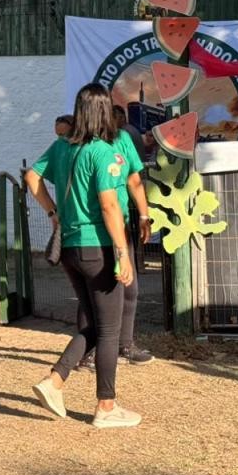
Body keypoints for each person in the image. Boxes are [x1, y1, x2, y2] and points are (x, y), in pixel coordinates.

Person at [24, 82, 141, 429]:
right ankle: (106, 406)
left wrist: (52, 212)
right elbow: (109, 206)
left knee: (93, 325)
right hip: (98, 247)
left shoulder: (62, 147)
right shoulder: (102, 152)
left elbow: (31, 176)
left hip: (70, 248)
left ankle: (55, 380)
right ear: (105, 112)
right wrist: (123, 253)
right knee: (109, 331)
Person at [73, 108, 155, 371]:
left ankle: (125, 345)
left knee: (129, 288)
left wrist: (144, 215)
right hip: (94, 230)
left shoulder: (122, 139)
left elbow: (134, 179)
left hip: (121, 225)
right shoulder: (83, 144)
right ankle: (87, 353)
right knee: (94, 294)